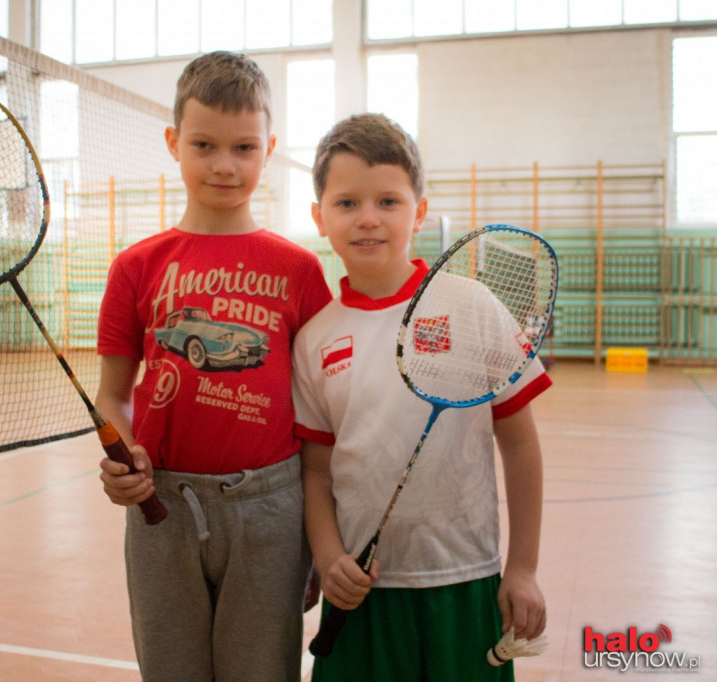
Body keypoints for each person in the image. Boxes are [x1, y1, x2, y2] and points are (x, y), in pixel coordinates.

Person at [94, 51, 332, 682]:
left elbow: (322, 418)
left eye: (244, 148)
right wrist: (122, 453)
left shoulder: (300, 271)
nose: (224, 166)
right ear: (174, 143)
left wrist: (321, 535)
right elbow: (113, 397)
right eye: (204, 145)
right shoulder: (135, 267)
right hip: (162, 507)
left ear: (268, 150)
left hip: (273, 513)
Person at [292, 113, 550, 681]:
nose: (368, 219)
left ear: (420, 211)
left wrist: (523, 568)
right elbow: (316, 469)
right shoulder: (314, 338)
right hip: (362, 590)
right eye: (346, 203)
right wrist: (330, 556)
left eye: (388, 201)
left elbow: (521, 443)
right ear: (319, 216)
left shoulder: (472, 305)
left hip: (466, 580)